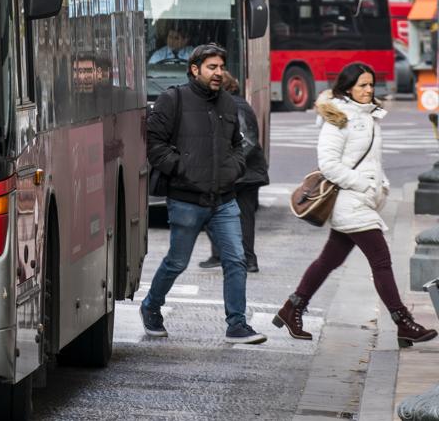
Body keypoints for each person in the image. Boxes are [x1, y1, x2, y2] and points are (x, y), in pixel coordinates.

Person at [274, 63, 437, 346]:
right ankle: (403, 322)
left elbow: (372, 161)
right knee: (381, 261)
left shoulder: (369, 116)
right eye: (362, 85)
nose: (368, 90)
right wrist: (364, 185)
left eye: (371, 84)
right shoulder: (339, 118)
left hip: (361, 202)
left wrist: (381, 185)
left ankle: (292, 308)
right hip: (351, 204)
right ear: (347, 86)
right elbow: (329, 164)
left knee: (328, 261)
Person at [140, 43, 267, 344]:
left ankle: (237, 324)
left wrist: (232, 170)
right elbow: (154, 144)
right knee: (177, 262)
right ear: (195, 69)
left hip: (224, 199)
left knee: (236, 260)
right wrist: (183, 169)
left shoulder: (228, 103)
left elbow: (238, 144)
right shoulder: (174, 99)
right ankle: (151, 307)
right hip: (186, 198)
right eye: (212, 67)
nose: (218, 73)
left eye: (221, 67)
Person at [198, 72, 269, 272]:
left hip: (242, 173)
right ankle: (235, 257)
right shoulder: (231, 105)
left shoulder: (235, 106)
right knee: (232, 214)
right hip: (244, 171)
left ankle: (243, 259)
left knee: (237, 215)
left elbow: (247, 140)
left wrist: (228, 165)